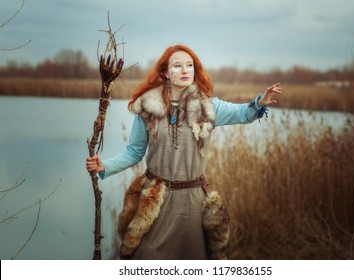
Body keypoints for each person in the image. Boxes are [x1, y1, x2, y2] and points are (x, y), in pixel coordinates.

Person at [86, 44, 281, 260]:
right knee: (147, 256)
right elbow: (134, 152)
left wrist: (260, 102)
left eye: (189, 66)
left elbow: (243, 113)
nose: (185, 70)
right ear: (166, 72)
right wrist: (105, 165)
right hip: (155, 199)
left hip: (192, 202)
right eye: (177, 66)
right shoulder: (149, 107)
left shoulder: (209, 107)